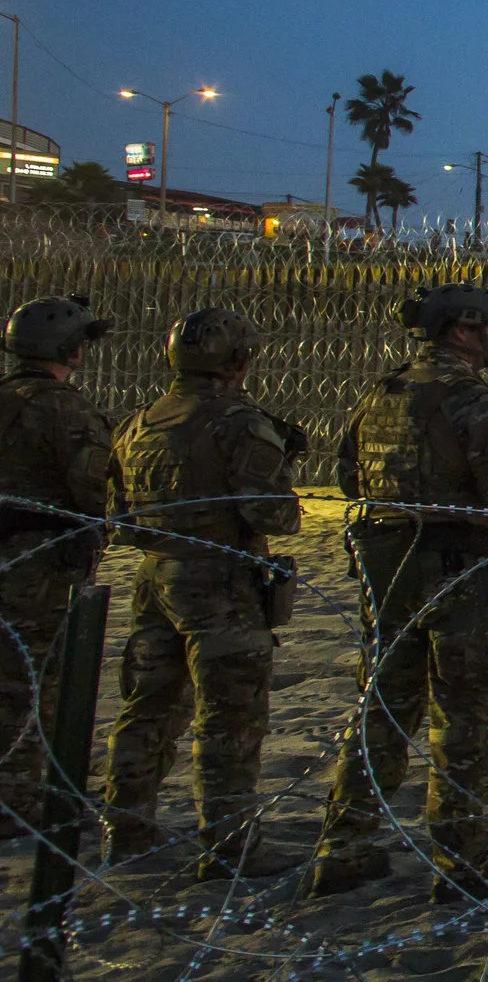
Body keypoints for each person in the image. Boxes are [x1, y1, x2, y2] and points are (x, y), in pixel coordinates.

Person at [308, 284, 488, 901]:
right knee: (466, 717)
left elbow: (349, 475)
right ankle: (462, 863)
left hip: (385, 564)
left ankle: (344, 846)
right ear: (463, 331)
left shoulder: (381, 395)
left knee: (383, 709)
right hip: (456, 568)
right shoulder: (473, 399)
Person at [100, 308, 304, 878]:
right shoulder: (238, 423)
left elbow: (119, 515)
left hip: (156, 577)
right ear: (238, 361)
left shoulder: (140, 423)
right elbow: (273, 514)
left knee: (146, 709)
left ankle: (125, 830)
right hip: (222, 583)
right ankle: (230, 845)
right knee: (229, 719)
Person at [0, 296, 116, 836]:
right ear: (70, 350)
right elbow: (94, 489)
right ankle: (17, 801)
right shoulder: (65, 409)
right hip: (40, 565)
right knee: (36, 684)